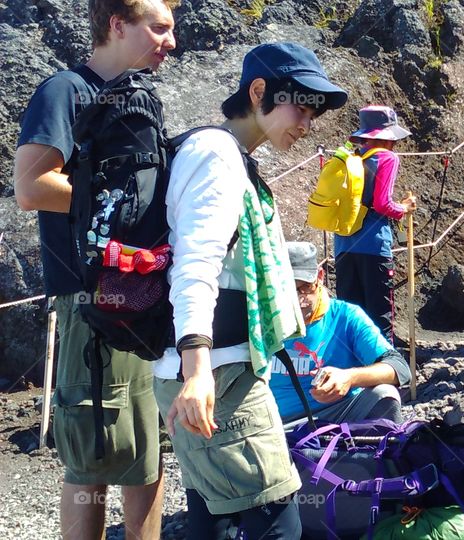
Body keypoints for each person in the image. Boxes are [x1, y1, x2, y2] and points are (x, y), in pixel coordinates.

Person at [154, 42, 349, 538]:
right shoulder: (216, 155)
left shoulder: (228, 155)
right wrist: (197, 371)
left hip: (210, 369)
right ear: (259, 90)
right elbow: (193, 264)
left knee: (212, 514)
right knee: (276, 521)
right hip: (220, 373)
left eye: (314, 112)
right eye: (299, 106)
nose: (306, 123)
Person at [12, 1, 177, 537]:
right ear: (116, 24)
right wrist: (118, 201)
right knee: (93, 451)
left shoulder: (141, 100)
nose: (170, 42)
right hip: (89, 298)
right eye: (159, 28)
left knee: (146, 448)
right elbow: (31, 187)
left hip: (144, 296)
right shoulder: (64, 91)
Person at [269, 242, 410, 424]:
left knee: (385, 394)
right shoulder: (257, 320)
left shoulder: (345, 316)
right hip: (275, 421)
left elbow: (399, 368)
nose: (298, 299)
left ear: (319, 277)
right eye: (285, 290)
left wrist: (349, 377)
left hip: (337, 413)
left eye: (304, 287)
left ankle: (383, 451)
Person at [334, 105, 417, 343]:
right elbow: (382, 204)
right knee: (379, 315)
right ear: (388, 137)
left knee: (351, 314)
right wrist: (404, 208)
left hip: (343, 246)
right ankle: (383, 371)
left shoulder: (349, 159)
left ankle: (352, 371)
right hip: (373, 246)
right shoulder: (386, 157)